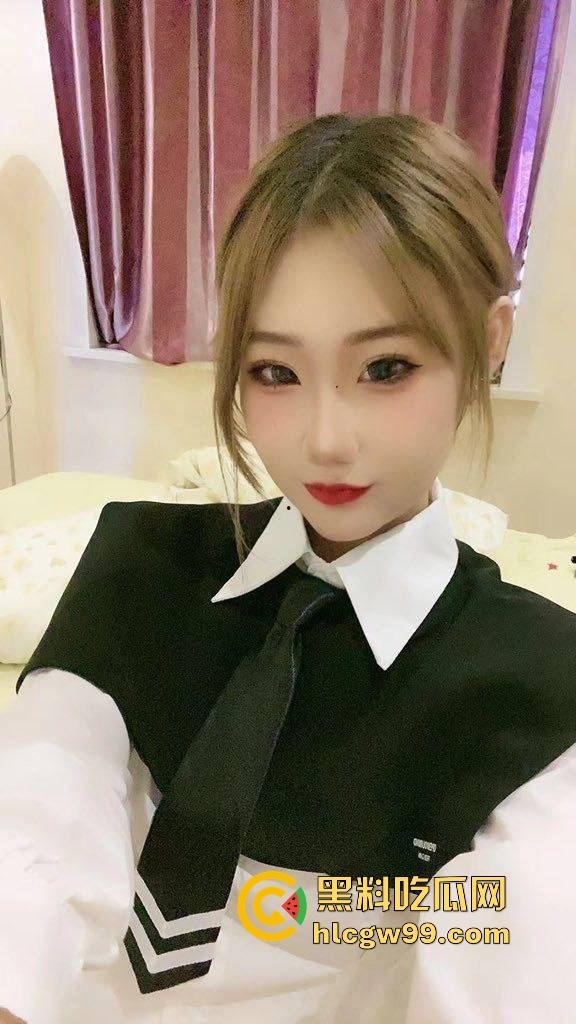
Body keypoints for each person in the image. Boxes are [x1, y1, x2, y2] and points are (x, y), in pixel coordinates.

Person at [1, 112, 576, 1024]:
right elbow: (38, 819)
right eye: (275, 373)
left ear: (490, 339)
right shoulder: (135, 566)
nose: (325, 440)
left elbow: (515, 955)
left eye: (386, 368)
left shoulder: (545, 686)